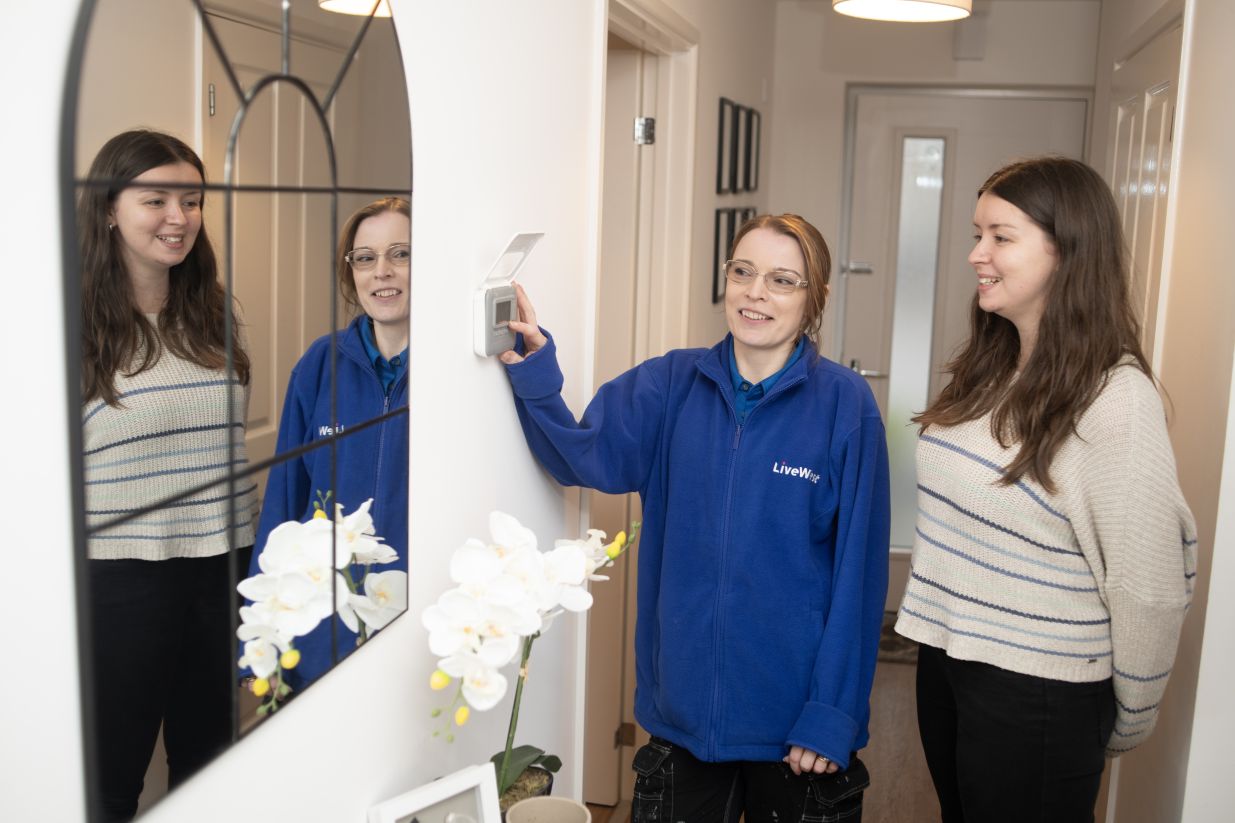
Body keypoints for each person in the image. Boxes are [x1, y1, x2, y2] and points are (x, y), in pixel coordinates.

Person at [500, 215, 890, 822]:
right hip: (681, 721)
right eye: (743, 272)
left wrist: (831, 715)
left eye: (782, 280)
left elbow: (859, 574)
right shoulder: (670, 384)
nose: (756, 292)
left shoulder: (845, 405)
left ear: (815, 299)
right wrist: (536, 372)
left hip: (795, 734)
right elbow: (581, 455)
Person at [895, 156, 1197, 823]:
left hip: (1038, 689)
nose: (977, 254)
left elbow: (1146, 581)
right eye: (977, 234)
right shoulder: (991, 363)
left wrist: (1128, 711)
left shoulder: (1115, 399)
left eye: (1000, 236)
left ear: (1068, 251)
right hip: (951, 660)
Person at [80, 129, 257, 821]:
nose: (178, 217)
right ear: (108, 210)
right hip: (119, 575)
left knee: (210, 764)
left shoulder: (212, 312)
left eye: (191, 199)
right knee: (110, 776)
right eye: (155, 199)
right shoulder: (68, 327)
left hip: (222, 565)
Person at [250, 196, 410, 691]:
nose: (381, 271)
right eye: (365, 258)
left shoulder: (462, 369)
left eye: (401, 254)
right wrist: (262, 642)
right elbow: (282, 502)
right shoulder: (320, 364)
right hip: (322, 628)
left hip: (412, 617)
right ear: (351, 273)